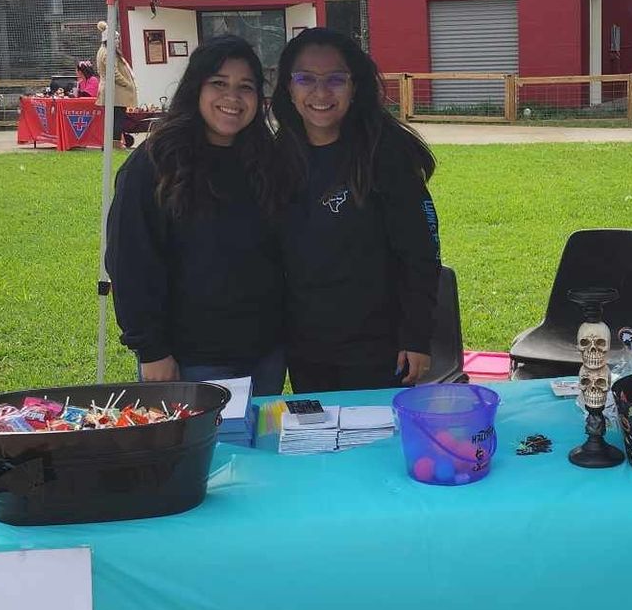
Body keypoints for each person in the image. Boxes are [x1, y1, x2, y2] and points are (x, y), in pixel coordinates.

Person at [104, 36, 286, 395]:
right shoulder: (154, 164)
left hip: (265, 353)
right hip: (189, 358)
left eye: (245, 87)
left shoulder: (267, 160)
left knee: (254, 450)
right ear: (196, 88)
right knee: (198, 451)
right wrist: (151, 350)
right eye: (219, 84)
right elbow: (130, 262)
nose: (232, 98)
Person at [272, 27, 441, 394]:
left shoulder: (387, 154)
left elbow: (421, 255)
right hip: (306, 349)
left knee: (380, 448)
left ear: (355, 86)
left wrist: (416, 337)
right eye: (305, 79)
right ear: (288, 86)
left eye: (335, 79)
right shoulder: (275, 158)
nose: (320, 92)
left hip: (381, 348)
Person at [94, 26, 140, 148]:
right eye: (116, 39)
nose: (118, 41)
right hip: (115, 91)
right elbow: (113, 73)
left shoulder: (102, 50)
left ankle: (111, 144)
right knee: (117, 119)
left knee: (113, 119)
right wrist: (126, 83)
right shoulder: (108, 53)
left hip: (111, 90)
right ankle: (114, 144)